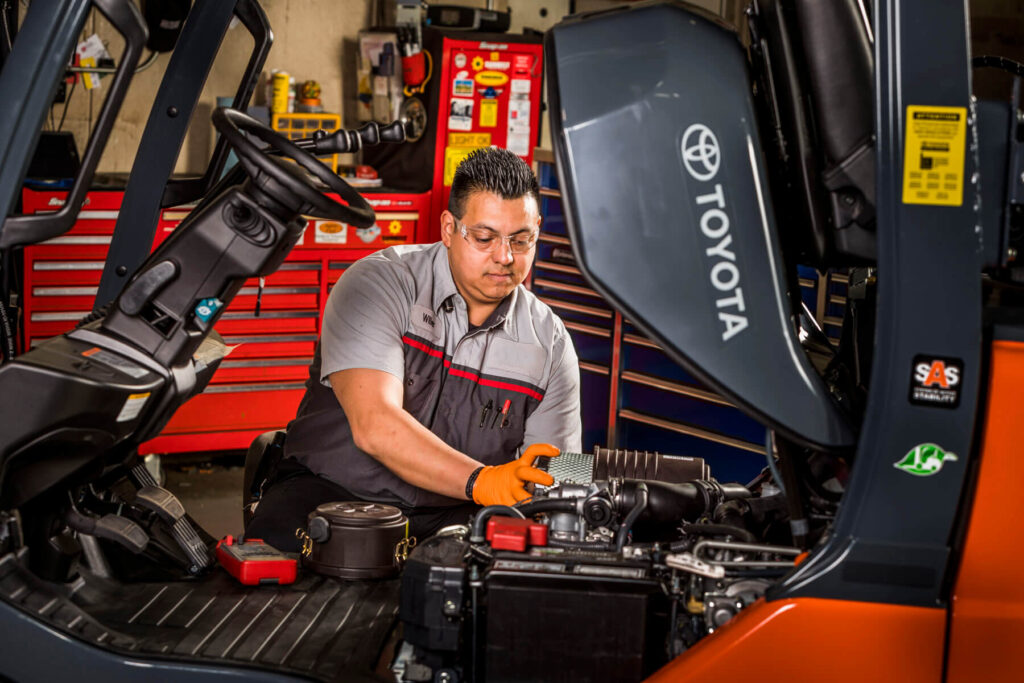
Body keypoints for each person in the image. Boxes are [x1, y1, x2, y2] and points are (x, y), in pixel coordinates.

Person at [245, 147, 582, 550]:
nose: (505, 257)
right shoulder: (378, 284)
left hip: (456, 516)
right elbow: (376, 426)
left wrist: (564, 501)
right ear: (448, 228)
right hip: (329, 495)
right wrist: (484, 481)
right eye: (484, 237)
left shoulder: (552, 343)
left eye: (521, 239)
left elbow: (561, 474)